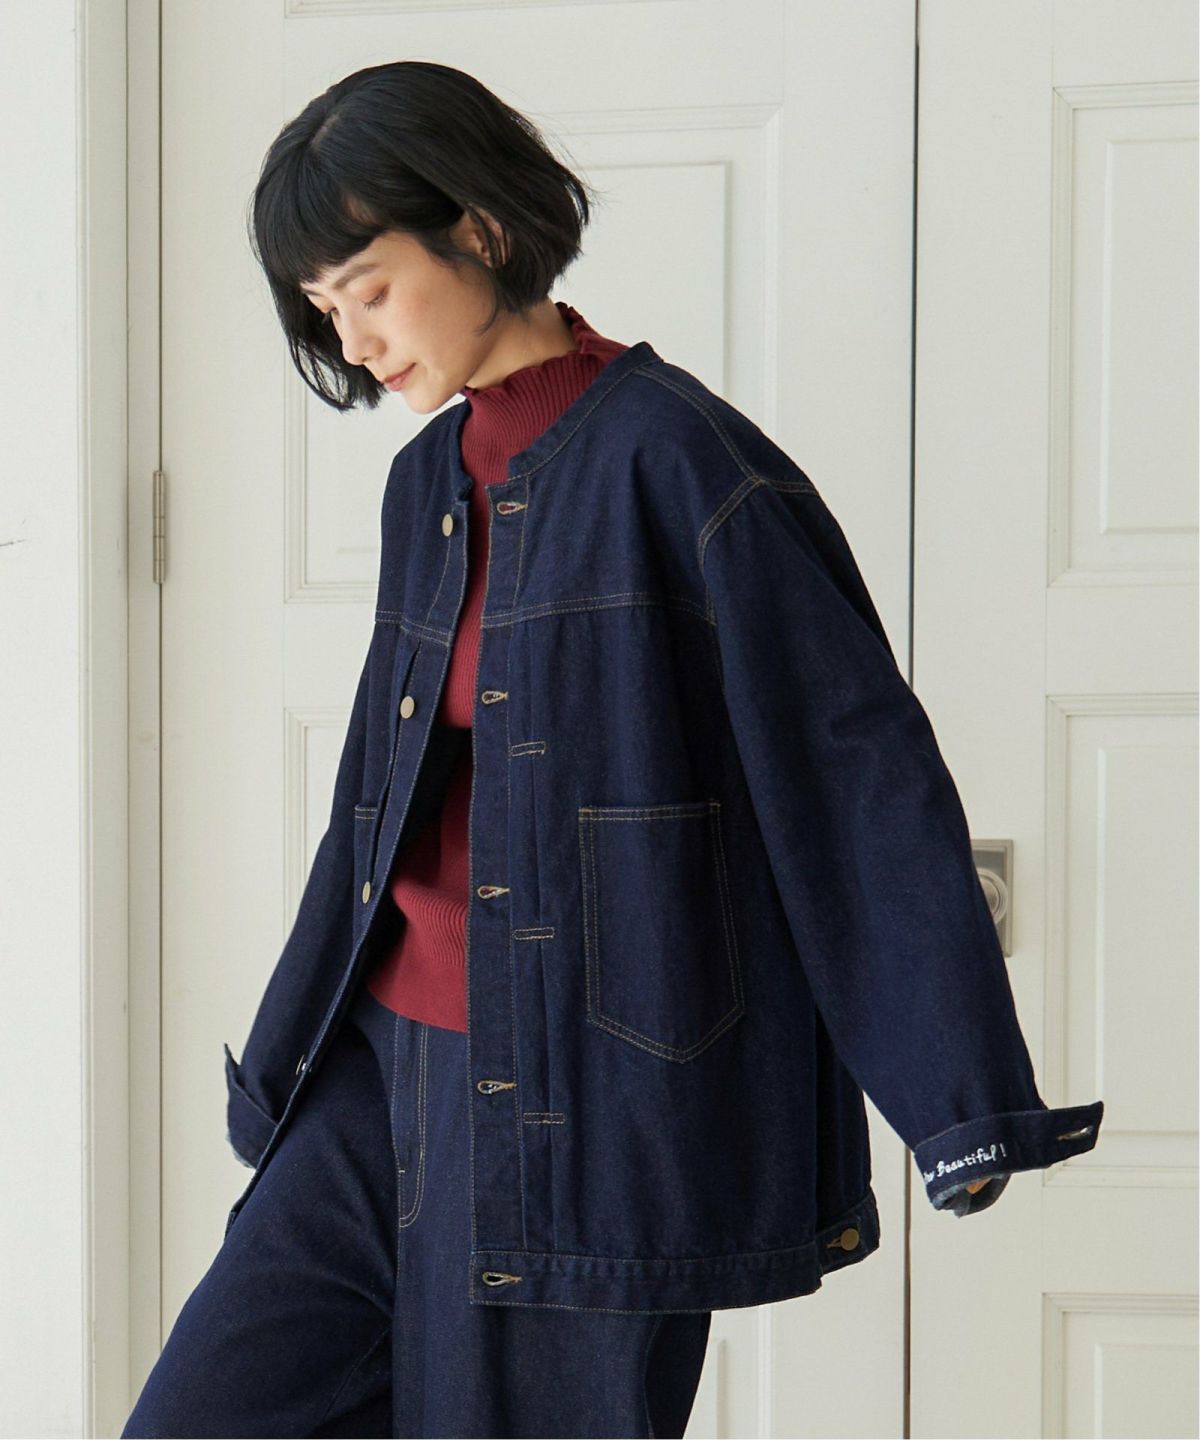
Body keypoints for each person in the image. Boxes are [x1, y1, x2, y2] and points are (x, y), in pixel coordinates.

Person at [123, 58, 1102, 1439]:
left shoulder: (686, 464)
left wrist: (959, 1100)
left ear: (479, 228)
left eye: (370, 290)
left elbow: (851, 773)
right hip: (375, 1077)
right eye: (325, 312)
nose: (355, 341)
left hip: (577, 1107)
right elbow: (375, 799)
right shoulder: (426, 483)